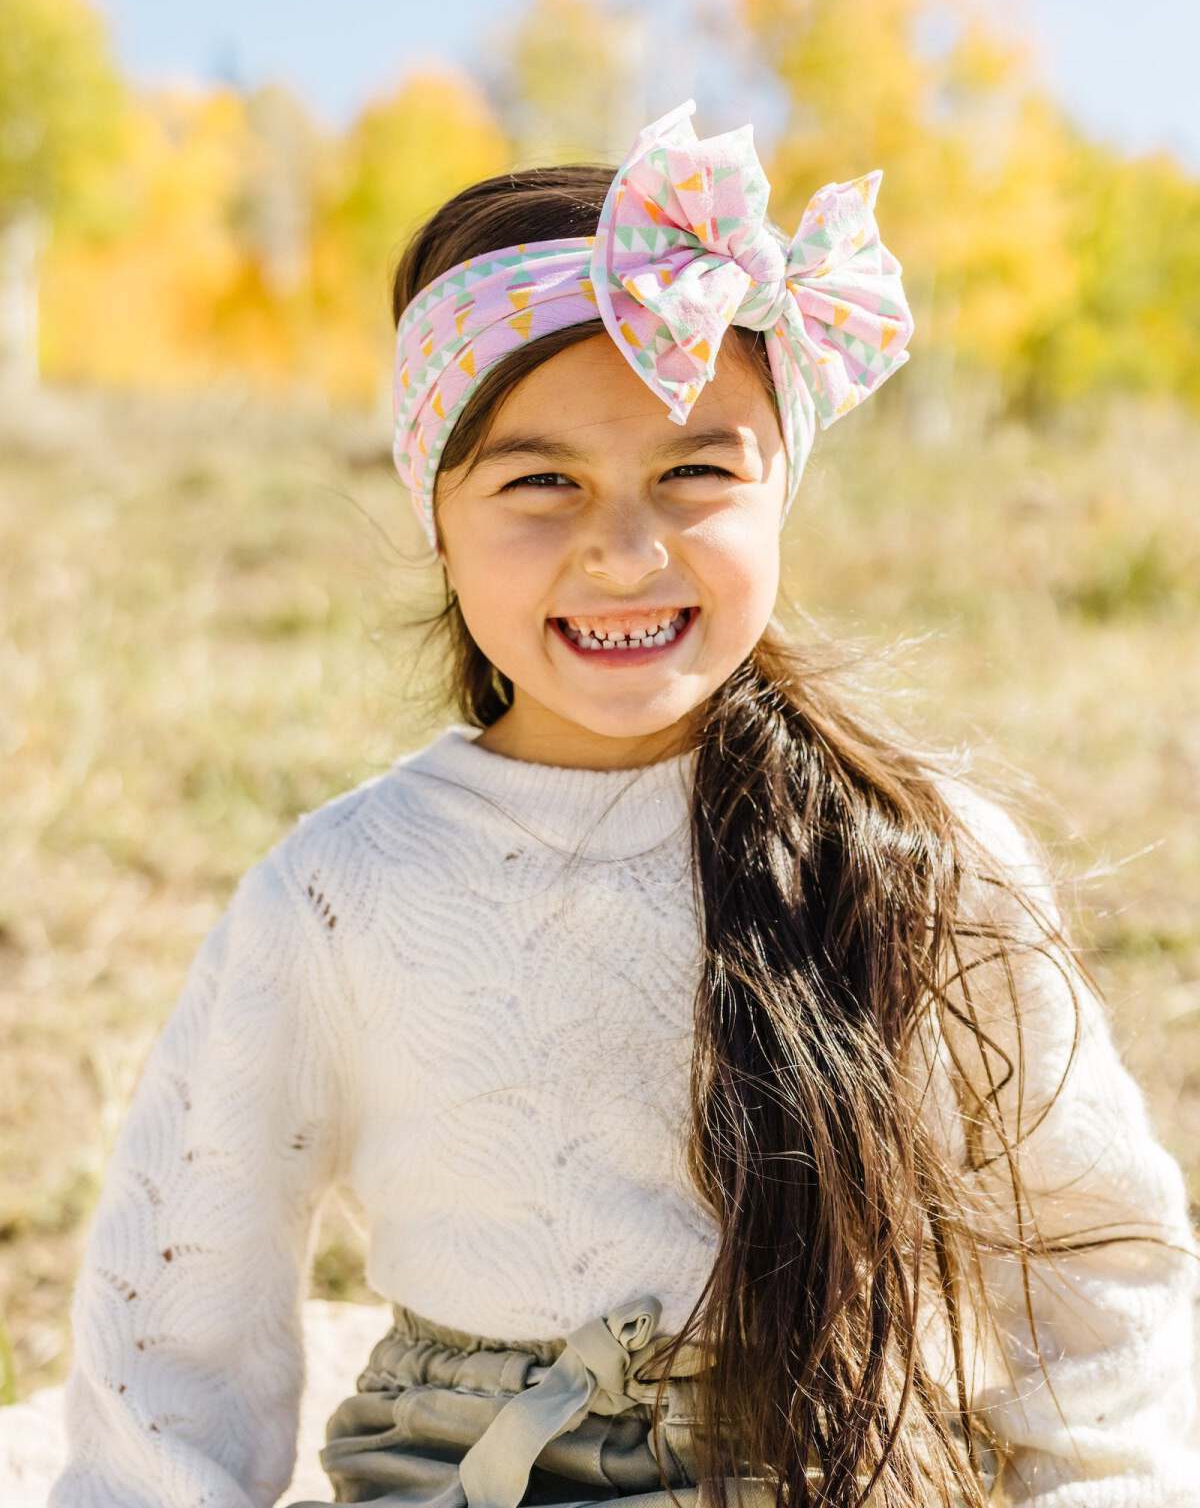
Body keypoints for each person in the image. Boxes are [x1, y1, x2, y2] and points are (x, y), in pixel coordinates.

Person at [47, 99, 1199, 1508]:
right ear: (440, 519)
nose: (622, 547)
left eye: (696, 470)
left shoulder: (917, 857)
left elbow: (1090, 1258)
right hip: (474, 1473)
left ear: (781, 491)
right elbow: (183, 1301)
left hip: (837, 1462)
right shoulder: (345, 889)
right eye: (541, 481)